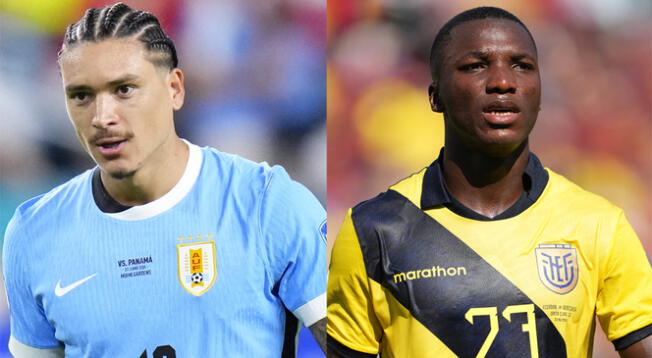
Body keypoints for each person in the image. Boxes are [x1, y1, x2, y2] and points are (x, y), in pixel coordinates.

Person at [2, 3, 326, 357]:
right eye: (81, 95)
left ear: (174, 88)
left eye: (124, 89)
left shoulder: (266, 203)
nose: (102, 117)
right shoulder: (34, 233)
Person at [326, 6, 651, 358]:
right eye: (476, 66)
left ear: (540, 94)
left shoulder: (598, 224)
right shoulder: (374, 231)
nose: (503, 81)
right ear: (435, 96)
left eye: (522, 66)